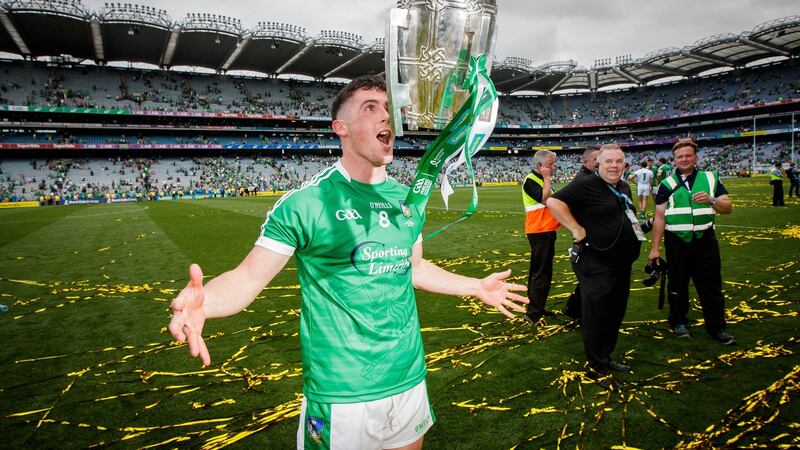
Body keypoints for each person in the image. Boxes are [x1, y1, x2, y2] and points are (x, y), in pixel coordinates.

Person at [167, 75, 529, 450]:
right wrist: (205, 301)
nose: (384, 117)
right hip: (342, 394)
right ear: (340, 127)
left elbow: (415, 268)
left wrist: (475, 286)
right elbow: (247, 277)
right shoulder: (306, 204)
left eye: (389, 109)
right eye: (370, 108)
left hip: (407, 378)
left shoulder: (408, 200)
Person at [547, 144, 643, 386]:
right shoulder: (587, 183)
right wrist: (576, 229)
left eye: (618, 161)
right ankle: (597, 366)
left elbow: (626, 218)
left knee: (615, 313)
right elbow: (553, 203)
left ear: (624, 164)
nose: (614, 165)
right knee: (597, 315)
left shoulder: (623, 186)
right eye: (608, 161)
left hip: (621, 262)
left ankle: (606, 356)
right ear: (598, 164)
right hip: (596, 262)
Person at [648, 138, 735, 345]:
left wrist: (712, 200)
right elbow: (659, 217)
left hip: (705, 240)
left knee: (711, 285)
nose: (684, 159)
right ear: (674, 160)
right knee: (677, 284)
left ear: (696, 157)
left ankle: (716, 328)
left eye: (688, 155)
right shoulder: (666, 184)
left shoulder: (711, 178)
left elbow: (728, 207)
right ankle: (678, 322)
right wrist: (654, 249)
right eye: (680, 157)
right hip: (676, 241)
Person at [521, 150, 561, 322]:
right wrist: (546, 178)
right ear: (540, 166)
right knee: (540, 273)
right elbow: (544, 199)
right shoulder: (531, 180)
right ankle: (533, 312)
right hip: (538, 231)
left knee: (540, 271)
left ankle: (536, 307)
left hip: (544, 230)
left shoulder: (537, 179)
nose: (554, 167)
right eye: (551, 164)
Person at [562, 148, 598, 320]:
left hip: (591, 234)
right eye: (596, 159)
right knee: (591, 277)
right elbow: (559, 203)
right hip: (587, 236)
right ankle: (580, 311)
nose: (600, 162)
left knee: (591, 277)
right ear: (586, 162)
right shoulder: (584, 180)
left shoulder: (591, 178)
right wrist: (576, 227)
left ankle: (574, 309)